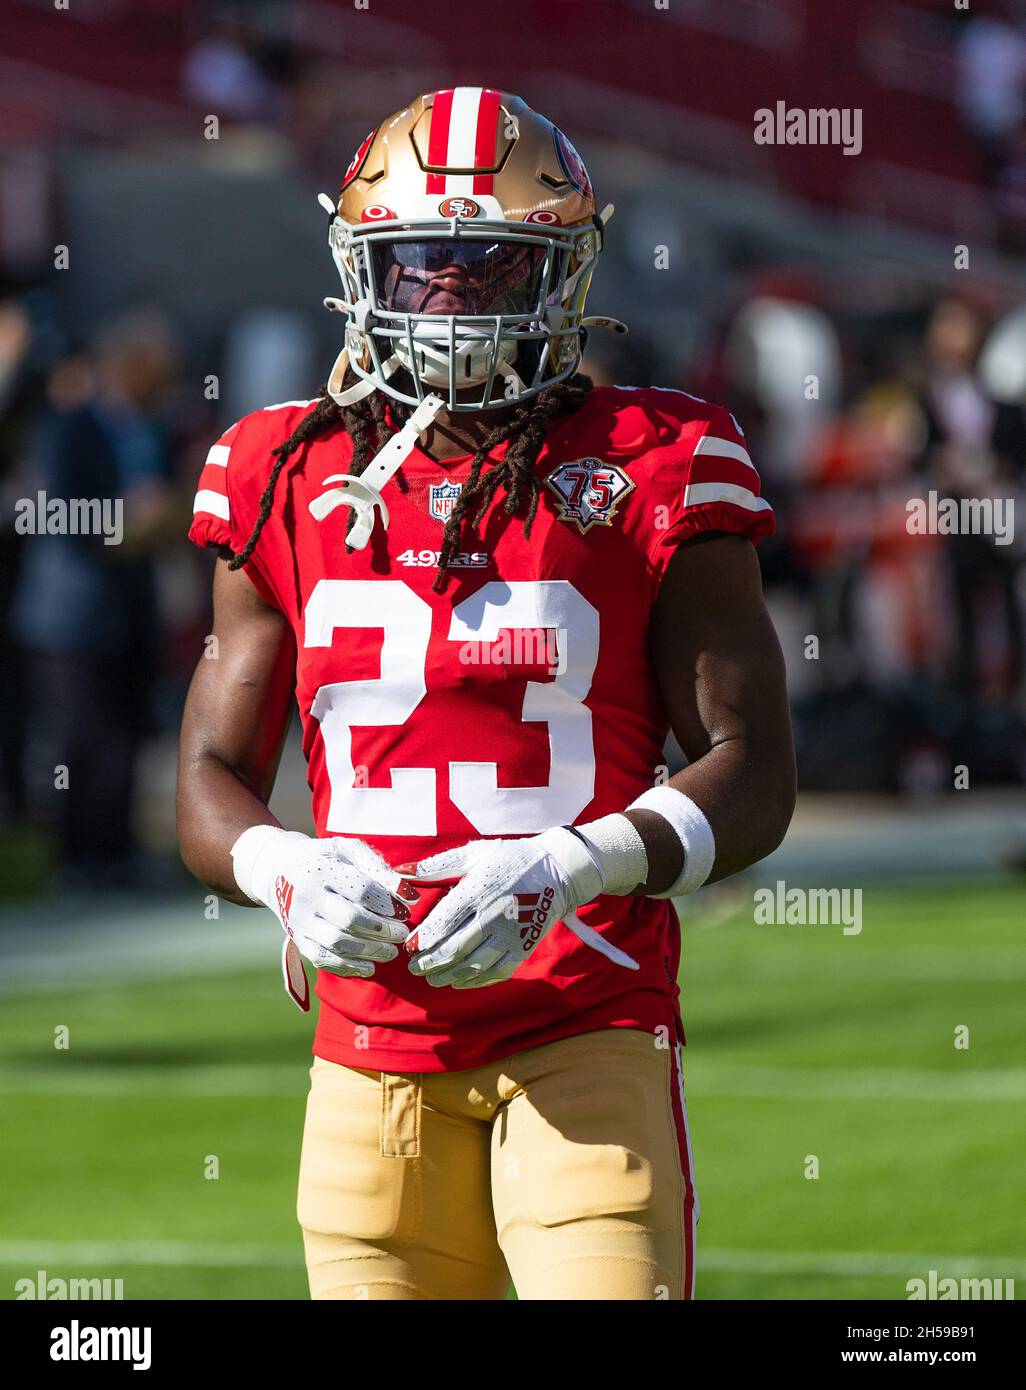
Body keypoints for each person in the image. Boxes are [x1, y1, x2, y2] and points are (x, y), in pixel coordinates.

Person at [177, 88, 795, 1301]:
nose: (452, 287)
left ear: (561, 270)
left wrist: (578, 863)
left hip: (587, 1026)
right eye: (420, 259)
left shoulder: (654, 459)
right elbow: (204, 779)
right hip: (366, 1055)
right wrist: (285, 870)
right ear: (362, 270)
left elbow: (755, 766)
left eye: (489, 257)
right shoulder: (277, 468)